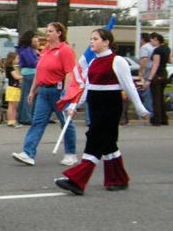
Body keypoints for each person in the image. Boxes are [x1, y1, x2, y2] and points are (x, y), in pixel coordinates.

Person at [55, 28, 150, 195]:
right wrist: (75, 105)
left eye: (96, 39)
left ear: (106, 42)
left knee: (95, 138)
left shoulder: (118, 61)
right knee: (108, 144)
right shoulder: (93, 62)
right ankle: (119, 180)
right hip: (96, 106)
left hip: (110, 106)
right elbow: (87, 88)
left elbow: (130, 87)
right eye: (91, 38)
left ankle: (77, 181)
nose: (92, 41)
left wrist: (141, 110)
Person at [12, 22, 77, 167]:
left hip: (58, 91)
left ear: (59, 33)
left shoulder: (65, 50)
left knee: (65, 122)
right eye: (46, 31)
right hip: (43, 91)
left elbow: (69, 73)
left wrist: (66, 93)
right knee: (38, 122)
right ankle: (28, 153)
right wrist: (32, 90)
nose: (47, 34)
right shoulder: (45, 50)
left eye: (50, 31)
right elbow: (39, 71)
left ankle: (71, 153)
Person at [144, 32, 171, 127]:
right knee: (161, 97)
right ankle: (164, 119)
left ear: (155, 38)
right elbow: (170, 61)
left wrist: (149, 79)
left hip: (157, 75)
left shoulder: (157, 50)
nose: (151, 42)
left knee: (155, 98)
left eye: (151, 40)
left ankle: (156, 120)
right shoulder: (167, 48)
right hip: (165, 75)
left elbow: (155, 65)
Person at [16, 30, 39, 125]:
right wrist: (40, 60)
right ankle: (26, 117)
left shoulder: (24, 49)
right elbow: (31, 62)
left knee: (25, 95)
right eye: (34, 36)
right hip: (30, 73)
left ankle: (22, 116)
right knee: (29, 95)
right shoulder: (27, 50)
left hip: (27, 73)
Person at [4, 52, 23, 127]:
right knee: (11, 105)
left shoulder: (14, 67)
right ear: (12, 59)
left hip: (16, 88)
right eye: (17, 58)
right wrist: (22, 77)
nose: (18, 60)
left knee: (15, 105)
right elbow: (16, 77)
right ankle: (10, 121)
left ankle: (14, 120)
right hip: (12, 88)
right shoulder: (10, 67)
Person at [138, 32, 154, 115]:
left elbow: (144, 59)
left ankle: (149, 114)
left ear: (142, 39)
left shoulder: (144, 48)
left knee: (147, 94)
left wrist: (140, 71)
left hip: (147, 73)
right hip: (155, 73)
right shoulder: (153, 47)